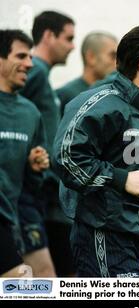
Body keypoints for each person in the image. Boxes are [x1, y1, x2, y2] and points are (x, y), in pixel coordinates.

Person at [52, 24, 139, 277]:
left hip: (133, 238)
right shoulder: (101, 104)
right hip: (101, 235)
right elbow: (65, 158)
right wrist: (122, 178)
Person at [19, 10, 75, 277]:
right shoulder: (35, 72)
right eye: (68, 38)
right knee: (43, 277)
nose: (73, 46)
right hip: (34, 191)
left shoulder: (42, 76)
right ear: (49, 36)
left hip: (42, 191)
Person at [0, 29, 49, 277]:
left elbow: (31, 181)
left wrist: (35, 166)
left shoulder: (30, 112)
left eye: (30, 57)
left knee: (42, 281)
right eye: (21, 56)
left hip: (14, 215)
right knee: (21, 282)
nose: (30, 64)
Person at [56, 31, 118, 115]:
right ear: (91, 57)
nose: (117, 63)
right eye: (112, 56)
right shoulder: (66, 95)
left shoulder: (113, 93)